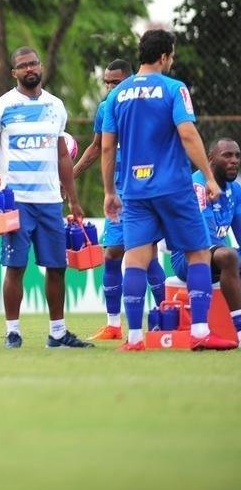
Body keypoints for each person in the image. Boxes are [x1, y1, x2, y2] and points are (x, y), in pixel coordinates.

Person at [101, 29, 235, 350]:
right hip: (174, 187)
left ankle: (134, 338)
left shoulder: (116, 95)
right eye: (171, 55)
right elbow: (187, 134)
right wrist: (209, 177)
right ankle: (201, 332)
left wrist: (109, 191)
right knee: (198, 252)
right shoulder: (175, 89)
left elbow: (107, 148)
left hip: (134, 190)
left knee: (136, 256)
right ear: (164, 56)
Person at [0, 47, 92, 349]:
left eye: (34, 63)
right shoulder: (1, 106)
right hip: (16, 200)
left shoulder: (56, 106)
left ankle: (57, 332)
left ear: (41, 67)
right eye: (23, 65)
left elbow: (62, 154)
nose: (30, 69)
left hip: (50, 200)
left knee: (56, 267)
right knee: (15, 267)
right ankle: (13, 331)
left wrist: (74, 200)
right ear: (14, 72)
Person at [72, 59, 167, 340]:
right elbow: (98, 146)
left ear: (130, 81)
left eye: (116, 82)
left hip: (144, 188)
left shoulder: (147, 105)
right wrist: (70, 177)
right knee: (112, 254)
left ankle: (164, 317)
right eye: (107, 83)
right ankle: (114, 325)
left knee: (146, 255)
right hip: (118, 191)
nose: (111, 87)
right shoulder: (105, 108)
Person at [170, 138, 241, 335]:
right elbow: (204, 240)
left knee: (229, 257)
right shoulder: (197, 186)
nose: (234, 160)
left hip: (218, 254)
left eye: (237, 155)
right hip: (188, 257)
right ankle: (240, 330)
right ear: (210, 159)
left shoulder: (235, 190)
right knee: (228, 257)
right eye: (227, 155)